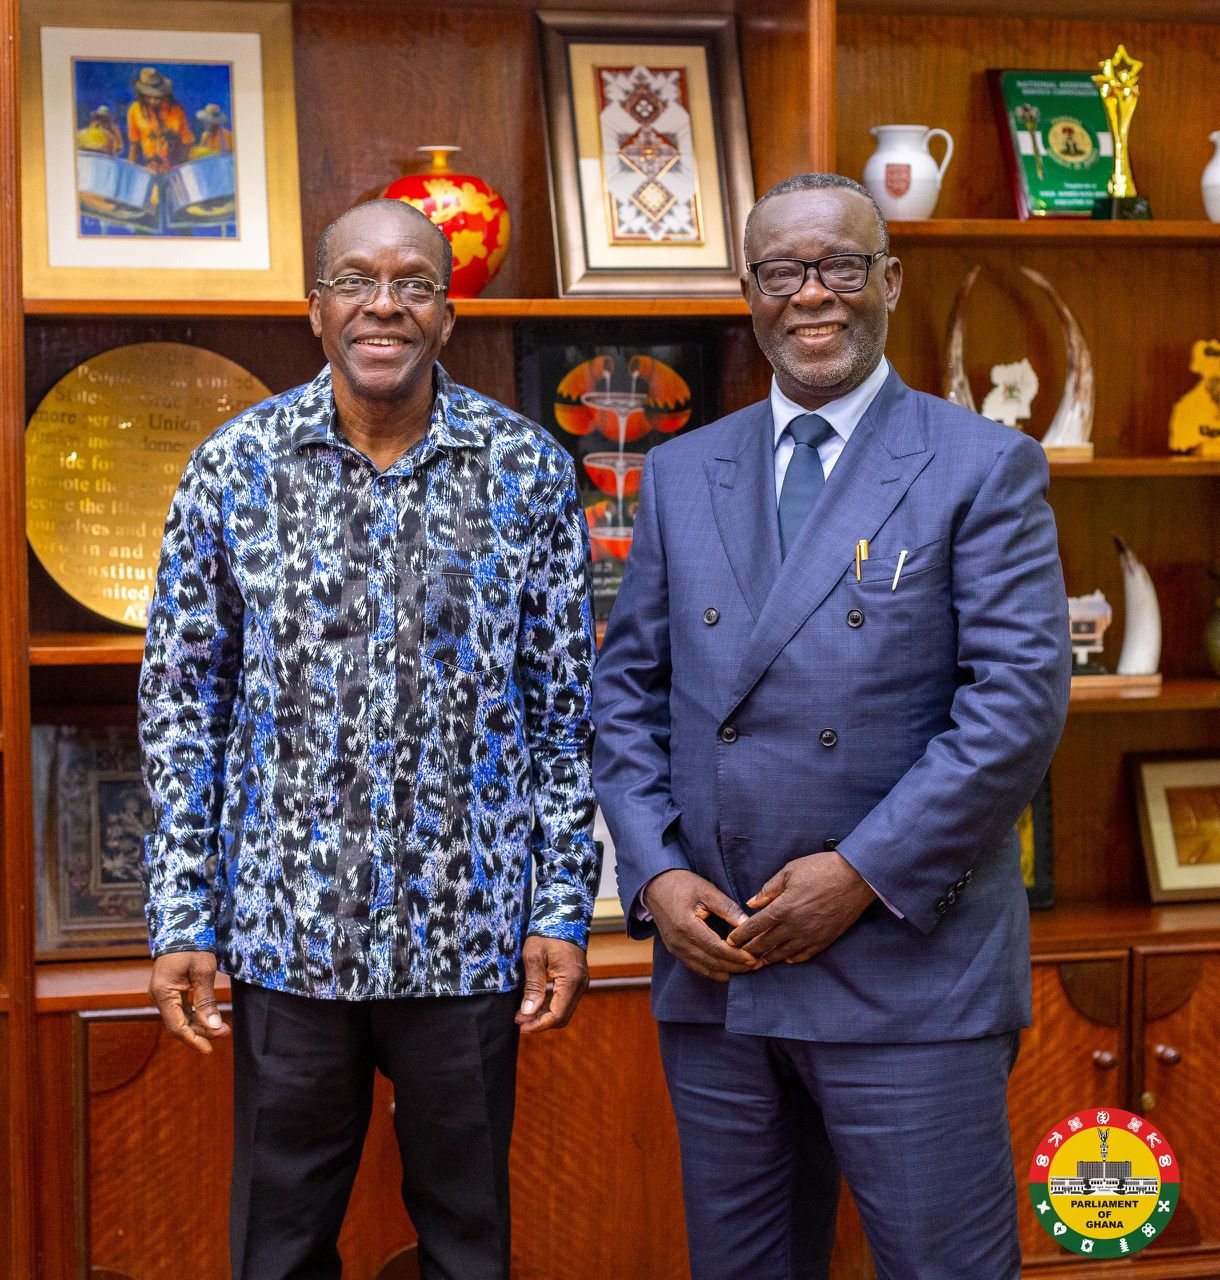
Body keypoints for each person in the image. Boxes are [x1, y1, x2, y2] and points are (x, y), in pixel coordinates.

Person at [591, 173, 1071, 1280]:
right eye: (780, 271)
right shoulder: (677, 471)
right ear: (747, 292)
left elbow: (1012, 708)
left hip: (906, 965)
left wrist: (856, 872)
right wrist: (654, 875)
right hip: (718, 964)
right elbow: (626, 694)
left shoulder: (978, 463)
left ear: (887, 281)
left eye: (839, 265)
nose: (811, 295)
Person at [139, 198, 600, 1280]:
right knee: (279, 1243)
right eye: (354, 280)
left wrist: (559, 905)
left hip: (472, 937)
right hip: (285, 934)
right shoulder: (233, 466)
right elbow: (180, 704)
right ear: (315, 308)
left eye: (412, 283)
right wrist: (180, 910)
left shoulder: (526, 471)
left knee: (468, 1243)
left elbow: (561, 710)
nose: (382, 303)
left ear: (447, 312)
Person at [126, 66, 193, 171]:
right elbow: (134, 144)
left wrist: (178, 167)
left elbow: (186, 142)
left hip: (172, 169)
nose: (152, 101)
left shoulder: (177, 111)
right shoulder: (134, 110)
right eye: (148, 97)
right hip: (148, 168)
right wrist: (129, 170)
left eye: (157, 97)